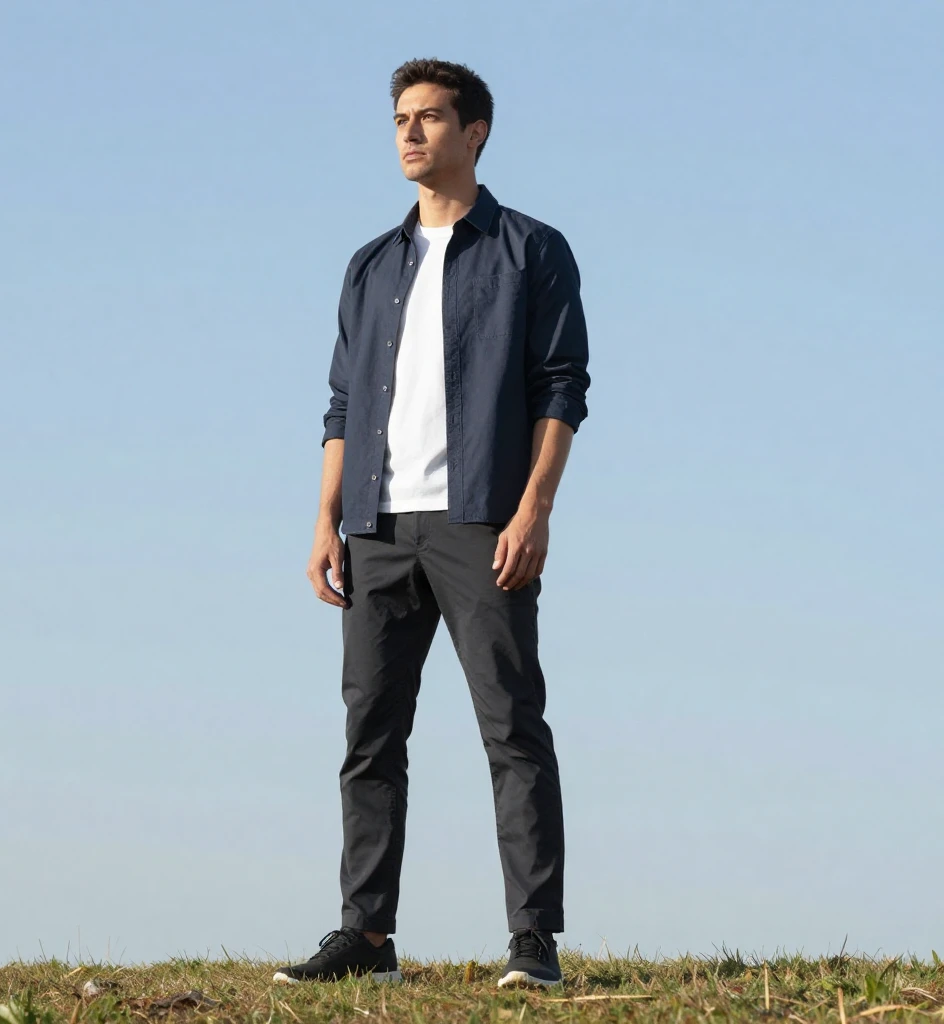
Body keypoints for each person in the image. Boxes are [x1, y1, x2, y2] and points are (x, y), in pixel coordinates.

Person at [276, 57, 590, 990]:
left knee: (511, 727)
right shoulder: (372, 264)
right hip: (376, 524)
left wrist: (534, 508)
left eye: (429, 118)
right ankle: (366, 938)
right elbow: (342, 404)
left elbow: (561, 388)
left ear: (475, 132)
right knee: (369, 736)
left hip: (481, 520)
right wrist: (326, 521)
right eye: (400, 120)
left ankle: (533, 940)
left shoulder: (532, 250)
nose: (409, 134)